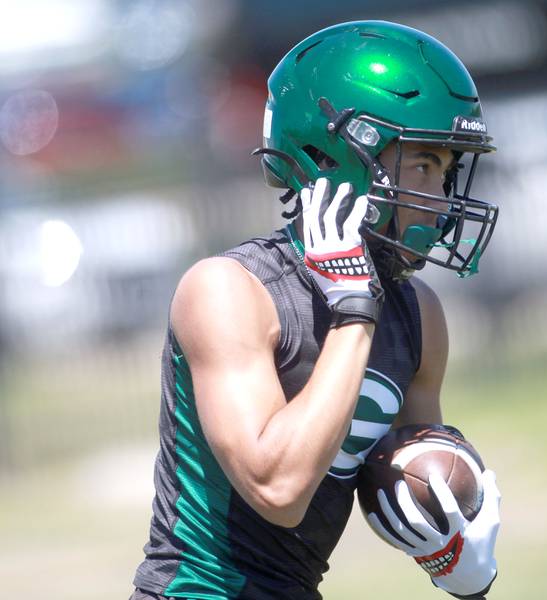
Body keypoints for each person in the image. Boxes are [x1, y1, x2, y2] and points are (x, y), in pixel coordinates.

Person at [131, 20, 501, 600]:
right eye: (425, 165)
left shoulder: (417, 312)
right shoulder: (229, 290)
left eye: (448, 172)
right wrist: (354, 312)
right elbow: (277, 490)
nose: (442, 199)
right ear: (338, 158)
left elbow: (402, 477)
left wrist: (456, 547)